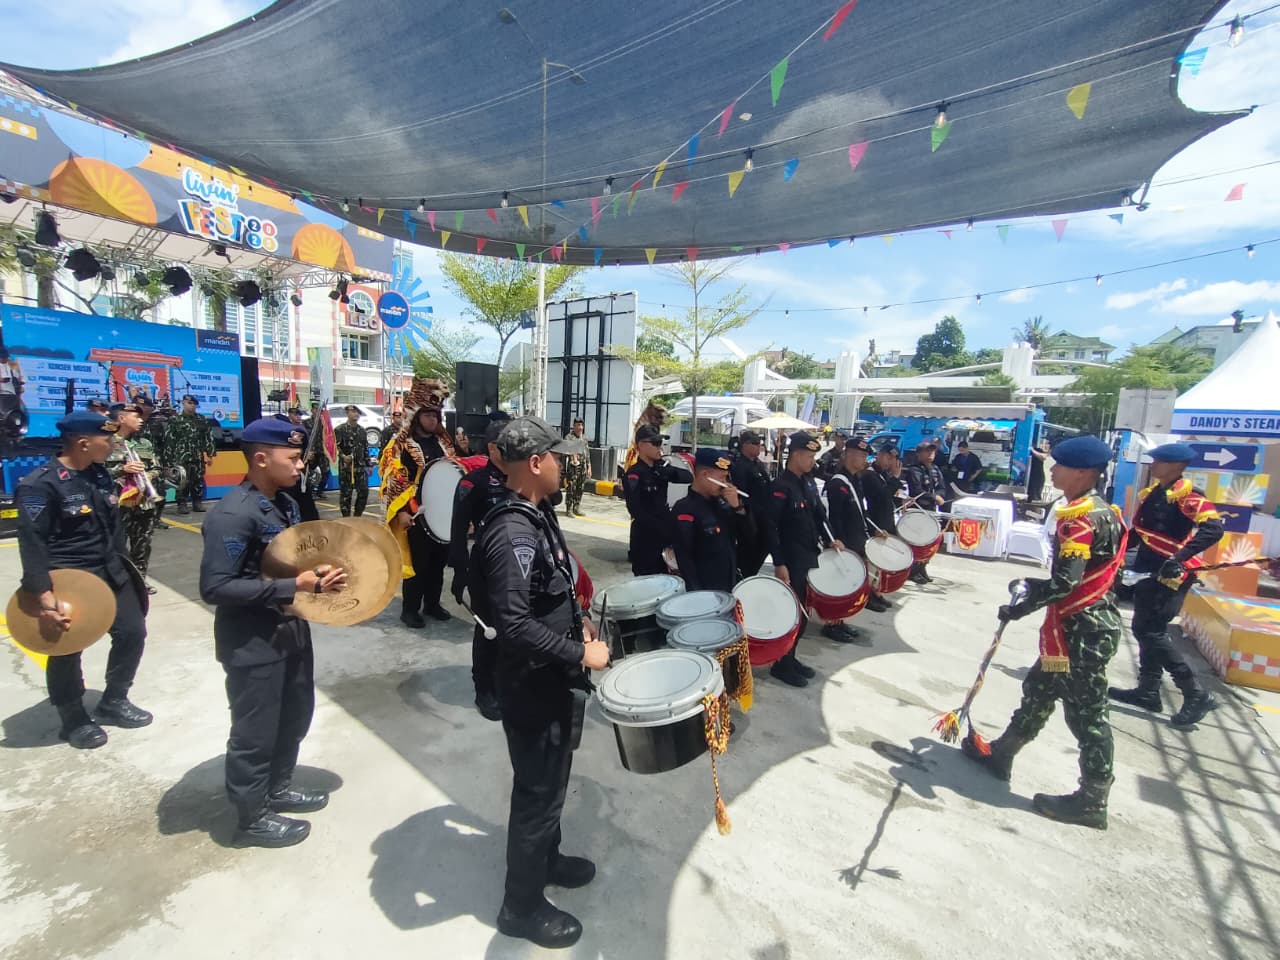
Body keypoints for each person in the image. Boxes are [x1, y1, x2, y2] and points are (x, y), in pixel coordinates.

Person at [471, 415, 609, 949]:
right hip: (532, 682)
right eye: (558, 456)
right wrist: (583, 652)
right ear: (535, 462)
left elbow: (548, 593)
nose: (564, 464)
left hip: (553, 676)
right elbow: (514, 625)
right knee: (537, 792)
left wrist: (579, 620)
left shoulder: (537, 511)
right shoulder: (512, 530)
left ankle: (546, 860)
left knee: (551, 780)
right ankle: (520, 907)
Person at [961, 436, 1128, 829]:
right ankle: (1003, 753)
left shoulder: (1082, 518)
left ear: (1084, 472)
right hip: (1074, 627)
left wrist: (1022, 603)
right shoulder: (1103, 510)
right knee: (1039, 689)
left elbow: (1065, 583)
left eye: (1060, 467)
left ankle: (1092, 798)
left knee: (1088, 716)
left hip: (1082, 631)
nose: (1051, 472)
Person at [199, 417, 345, 848]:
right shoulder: (232, 514)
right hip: (253, 640)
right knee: (255, 731)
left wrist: (311, 574)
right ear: (261, 459)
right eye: (294, 458)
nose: (302, 465)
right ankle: (251, 816)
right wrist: (293, 586)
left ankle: (278, 787)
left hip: (290, 630)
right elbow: (216, 587)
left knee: (294, 716)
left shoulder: (286, 505)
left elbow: (289, 561)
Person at [14, 411, 152, 748]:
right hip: (70, 579)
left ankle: (114, 699)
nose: (113, 445)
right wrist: (43, 594)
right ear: (83, 443)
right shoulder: (40, 485)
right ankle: (72, 716)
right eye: (107, 440)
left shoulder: (99, 475)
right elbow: (31, 544)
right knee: (65, 648)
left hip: (111, 571)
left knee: (133, 633)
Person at [1109, 442, 1224, 727]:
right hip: (1149, 569)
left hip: (1171, 574)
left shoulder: (1188, 495)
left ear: (1176, 466)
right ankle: (1148, 691)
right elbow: (1142, 532)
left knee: (1152, 631)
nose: (1152, 465)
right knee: (1144, 627)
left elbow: (1214, 528)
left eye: (1158, 461)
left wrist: (1180, 557)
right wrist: (1117, 553)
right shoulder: (1157, 493)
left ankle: (1195, 693)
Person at [765, 431, 852, 688]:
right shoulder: (781, 487)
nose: (813, 460)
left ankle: (790, 657)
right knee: (794, 613)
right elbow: (770, 526)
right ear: (796, 455)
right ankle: (782, 664)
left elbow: (819, 516)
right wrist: (779, 562)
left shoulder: (809, 483)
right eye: (810, 455)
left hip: (808, 556)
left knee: (803, 614)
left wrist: (830, 539)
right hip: (791, 560)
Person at [450, 414, 514, 721]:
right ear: (492, 448)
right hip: (486, 570)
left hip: (521, 569)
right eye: (508, 444)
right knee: (488, 631)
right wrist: (460, 572)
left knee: (516, 629)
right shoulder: (472, 483)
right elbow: (458, 529)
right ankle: (484, 690)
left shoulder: (523, 477)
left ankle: (508, 683)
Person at [381, 377, 456, 628]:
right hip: (415, 514)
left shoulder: (444, 445)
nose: (433, 419)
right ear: (416, 415)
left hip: (441, 514)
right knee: (418, 565)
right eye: (428, 414)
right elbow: (395, 479)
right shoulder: (402, 446)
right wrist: (402, 511)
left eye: (436, 414)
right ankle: (410, 609)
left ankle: (432, 605)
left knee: (438, 564)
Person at [825, 437, 892, 614]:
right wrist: (838, 541)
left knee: (859, 580)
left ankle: (857, 606)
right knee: (843, 585)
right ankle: (834, 622)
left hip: (858, 537)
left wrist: (874, 529)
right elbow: (835, 518)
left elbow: (862, 512)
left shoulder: (856, 480)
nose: (865, 460)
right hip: (846, 541)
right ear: (849, 455)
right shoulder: (838, 483)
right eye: (862, 456)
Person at [670, 448, 749, 593]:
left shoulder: (723, 504)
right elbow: (684, 558)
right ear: (705, 475)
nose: (726, 484)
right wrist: (696, 593)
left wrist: (738, 508)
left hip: (728, 585)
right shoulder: (685, 509)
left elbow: (748, 536)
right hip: (704, 591)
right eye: (722, 478)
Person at [106, 401, 163, 591]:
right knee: (117, 543)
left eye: (141, 416)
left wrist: (148, 474)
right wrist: (122, 469)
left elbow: (157, 468)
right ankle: (118, 581)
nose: (140, 420)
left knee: (143, 544)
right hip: (118, 503)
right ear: (122, 418)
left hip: (143, 501)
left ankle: (139, 581)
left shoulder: (144, 443)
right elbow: (98, 473)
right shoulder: (106, 443)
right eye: (136, 417)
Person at [622, 423, 677, 575]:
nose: (660, 447)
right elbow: (635, 510)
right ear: (641, 445)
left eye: (661, 443)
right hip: (645, 540)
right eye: (655, 443)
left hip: (664, 539)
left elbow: (688, 477)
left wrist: (668, 471)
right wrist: (662, 529)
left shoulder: (661, 468)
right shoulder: (634, 474)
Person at [729, 429, 774, 576]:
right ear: (746, 444)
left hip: (763, 512)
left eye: (759, 443)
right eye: (755, 443)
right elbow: (741, 491)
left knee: (764, 546)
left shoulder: (757, 463)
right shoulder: (740, 465)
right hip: (750, 514)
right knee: (749, 550)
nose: (758, 447)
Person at [163, 394, 214, 513]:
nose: (191, 406)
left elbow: (208, 437)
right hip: (181, 456)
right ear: (183, 404)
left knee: (198, 480)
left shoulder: (201, 420)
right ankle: (182, 504)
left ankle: (197, 502)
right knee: (182, 480)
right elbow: (169, 440)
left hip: (197, 456)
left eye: (193, 404)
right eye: (189, 403)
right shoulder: (175, 419)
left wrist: (210, 454)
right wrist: (168, 460)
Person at [904, 440, 946, 584]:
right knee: (918, 541)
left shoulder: (936, 469)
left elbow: (942, 487)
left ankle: (922, 567)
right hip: (918, 510)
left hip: (931, 510)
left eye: (932, 451)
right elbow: (917, 490)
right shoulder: (914, 470)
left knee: (933, 541)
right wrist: (934, 497)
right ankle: (913, 570)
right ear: (919, 454)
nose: (930, 454)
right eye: (927, 451)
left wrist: (938, 496)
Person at [333, 404, 370, 517]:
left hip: (360, 467)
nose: (356, 414)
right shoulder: (340, 429)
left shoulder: (362, 430)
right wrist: (343, 456)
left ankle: (357, 516)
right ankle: (346, 518)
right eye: (353, 412)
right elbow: (334, 447)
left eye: (358, 412)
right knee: (346, 494)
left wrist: (369, 464)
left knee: (363, 492)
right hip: (346, 468)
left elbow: (365, 448)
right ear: (347, 413)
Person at [561, 419, 591, 518]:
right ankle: (569, 509)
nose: (580, 428)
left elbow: (587, 453)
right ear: (574, 426)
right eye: (578, 425)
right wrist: (572, 455)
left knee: (580, 487)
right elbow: (566, 450)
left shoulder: (584, 438)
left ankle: (576, 507)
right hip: (573, 467)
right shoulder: (569, 437)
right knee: (571, 487)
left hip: (583, 466)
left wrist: (589, 466)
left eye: (581, 425)